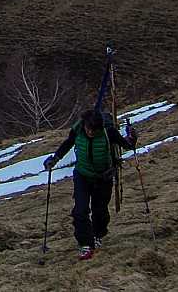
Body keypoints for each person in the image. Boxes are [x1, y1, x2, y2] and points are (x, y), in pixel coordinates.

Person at [44, 109, 137, 260]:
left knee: (100, 212)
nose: (91, 132)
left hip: (104, 177)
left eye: (95, 130)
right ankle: (86, 244)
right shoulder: (78, 130)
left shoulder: (108, 131)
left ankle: (98, 235)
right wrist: (55, 159)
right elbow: (67, 144)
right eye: (89, 129)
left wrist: (132, 139)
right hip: (82, 176)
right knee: (80, 211)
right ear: (84, 125)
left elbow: (126, 145)